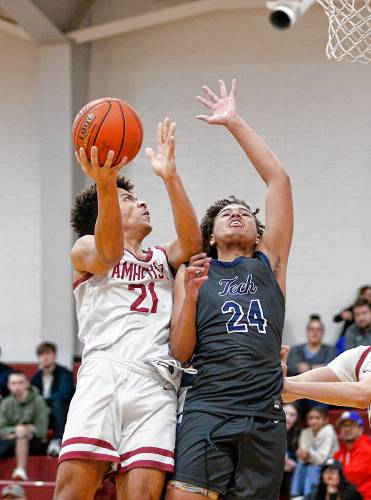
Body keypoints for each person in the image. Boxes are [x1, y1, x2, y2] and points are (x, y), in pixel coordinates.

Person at [53, 118, 202, 500]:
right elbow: (106, 255)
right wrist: (106, 182)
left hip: (156, 382)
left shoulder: (159, 258)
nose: (141, 202)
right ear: (105, 211)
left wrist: (170, 177)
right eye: (129, 200)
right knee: (72, 493)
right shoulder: (85, 247)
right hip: (105, 372)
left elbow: (192, 240)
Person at [167, 78, 293, 500]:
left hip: (264, 415)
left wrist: (234, 122)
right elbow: (181, 352)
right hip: (208, 408)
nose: (236, 214)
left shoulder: (269, 263)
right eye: (227, 213)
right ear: (211, 235)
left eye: (244, 213)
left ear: (259, 234)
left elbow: (279, 181)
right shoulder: (194, 270)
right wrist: (191, 296)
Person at [282, 345, 371, 424]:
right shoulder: (359, 355)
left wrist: (287, 386)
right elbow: (286, 392)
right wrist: (274, 375)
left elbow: (363, 395)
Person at [0, 371, 48, 481]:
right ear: (8, 385)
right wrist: (15, 430)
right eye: (13, 383)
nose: (17, 386)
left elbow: (42, 430)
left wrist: (27, 430)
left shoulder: (38, 401)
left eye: (20, 382)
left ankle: (21, 470)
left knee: (22, 433)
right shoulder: (6, 403)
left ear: (27, 384)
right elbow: (1, 428)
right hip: (10, 441)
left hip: (35, 442)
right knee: (20, 431)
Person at [31, 342, 75, 456]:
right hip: (43, 411)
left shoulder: (64, 373)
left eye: (48, 354)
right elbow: (33, 396)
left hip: (62, 410)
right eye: (41, 355)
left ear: (54, 355)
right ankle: (37, 442)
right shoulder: (36, 377)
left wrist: (44, 403)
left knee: (58, 403)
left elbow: (64, 395)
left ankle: (57, 440)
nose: (45, 358)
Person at [290, 406, 339, 498]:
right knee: (301, 464)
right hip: (311, 461)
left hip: (329, 463)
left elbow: (322, 457)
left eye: (317, 418)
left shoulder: (329, 431)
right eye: (310, 418)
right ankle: (295, 496)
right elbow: (302, 453)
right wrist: (302, 454)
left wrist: (307, 455)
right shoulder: (305, 432)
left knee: (312, 468)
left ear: (325, 420)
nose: (313, 421)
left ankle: (311, 496)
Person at [333, 411, 371, 500]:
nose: (347, 429)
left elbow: (351, 477)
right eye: (344, 426)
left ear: (361, 429)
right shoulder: (341, 451)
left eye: (352, 425)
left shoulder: (366, 449)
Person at [333, 285, 371, 354]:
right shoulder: (353, 308)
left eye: (364, 313)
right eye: (357, 314)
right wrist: (343, 315)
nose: (361, 317)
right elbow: (336, 319)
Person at [280, 403, 302, 498]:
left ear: (297, 418)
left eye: (292, 415)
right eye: (285, 413)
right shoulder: (269, 430)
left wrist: (294, 464)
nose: (288, 417)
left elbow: (301, 460)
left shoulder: (300, 434)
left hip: (291, 471)